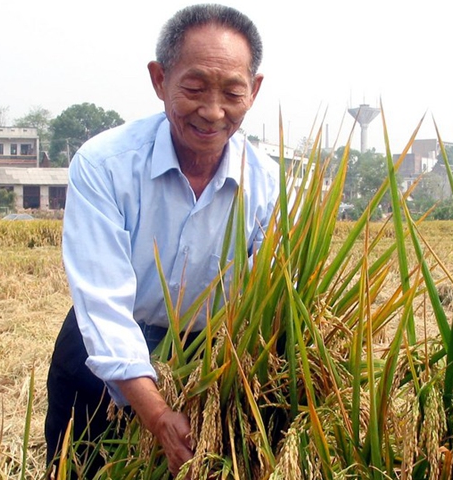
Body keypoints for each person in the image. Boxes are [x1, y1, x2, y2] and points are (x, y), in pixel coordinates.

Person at [44, 4, 278, 478]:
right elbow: (104, 306)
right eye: (193, 89)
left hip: (206, 362)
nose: (213, 112)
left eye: (233, 92)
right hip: (99, 356)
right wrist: (156, 415)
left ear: (253, 91)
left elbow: (273, 298)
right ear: (159, 80)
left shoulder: (267, 183)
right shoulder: (105, 164)